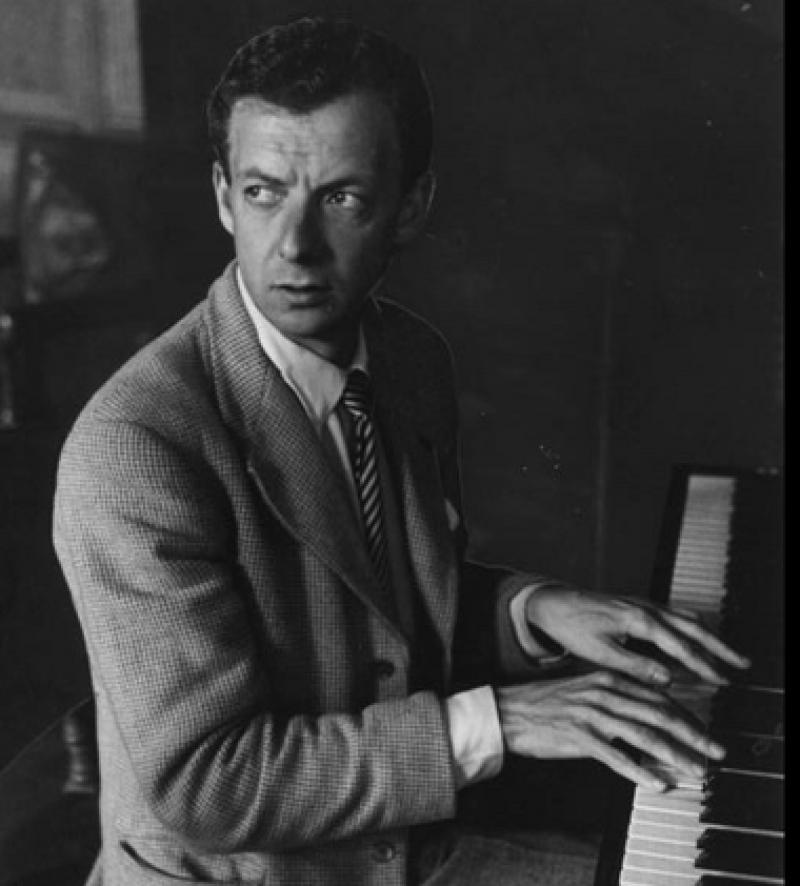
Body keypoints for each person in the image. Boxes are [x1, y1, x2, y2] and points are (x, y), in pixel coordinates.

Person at [53, 17, 749, 886]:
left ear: (411, 205)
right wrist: (507, 720)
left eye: (341, 198)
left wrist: (536, 610)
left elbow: (384, 620)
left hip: (398, 849)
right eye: (265, 193)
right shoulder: (137, 447)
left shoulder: (409, 359)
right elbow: (208, 784)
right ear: (224, 197)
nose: (295, 246)